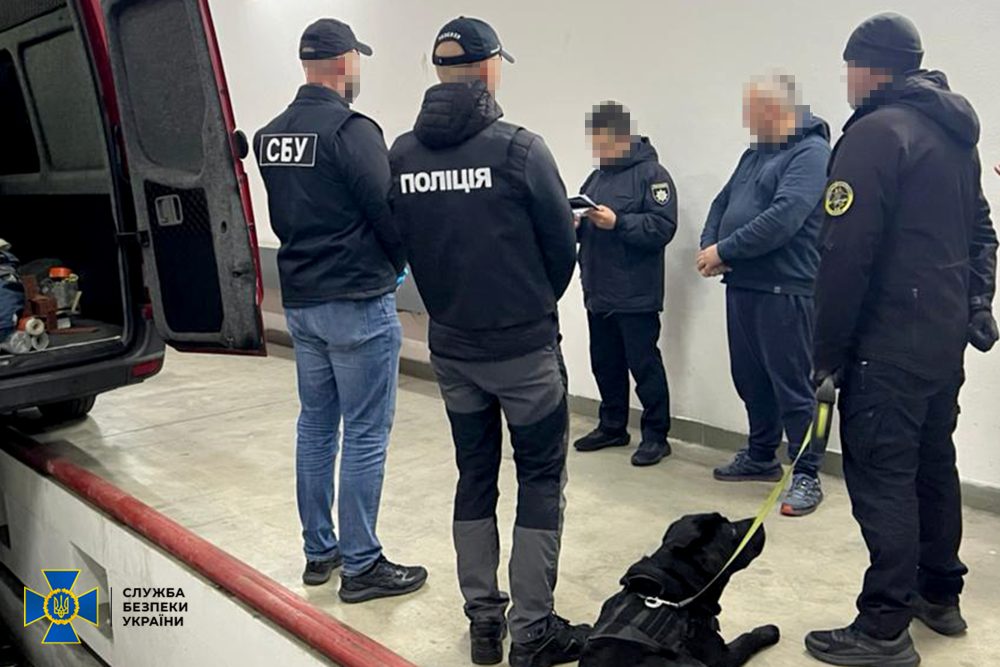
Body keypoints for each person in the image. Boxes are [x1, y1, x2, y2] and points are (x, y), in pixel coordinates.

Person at [388, 17, 590, 667]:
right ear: (489, 67)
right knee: (540, 479)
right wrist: (528, 304)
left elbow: (403, 242)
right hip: (523, 350)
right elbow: (561, 250)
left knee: (474, 474)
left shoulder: (402, 156)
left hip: (452, 349)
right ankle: (532, 631)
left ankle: (482, 620)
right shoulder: (520, 150)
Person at [804, 13, 998, 666]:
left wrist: (825, 355)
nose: (846, 81)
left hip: (884, 346)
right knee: (932, 465)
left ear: (868, 68)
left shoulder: (874, 134)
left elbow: (843, 257)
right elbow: (982, 231)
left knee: (883, 475)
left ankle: (883, 625)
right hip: (941, 343)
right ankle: (939, 595)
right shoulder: (954, 135)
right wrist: (977, 302)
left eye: (848, 68)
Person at [253, 18, 427, 603]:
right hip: (356, 301)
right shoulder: (352, 130)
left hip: (302, 302)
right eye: (358, 60)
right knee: (366, 434)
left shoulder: (270, 135)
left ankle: (319, 551)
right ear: (345, 61)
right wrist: (398, 265)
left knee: (316, 427)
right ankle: (363, 564)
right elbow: (388, 211)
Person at [697, 73, 832, 516]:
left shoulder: (812, 154)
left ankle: (807, 474)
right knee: (750, 380)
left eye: (751, 111)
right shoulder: (754, 154)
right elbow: (722, 203)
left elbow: (784, 217)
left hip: (786, 289)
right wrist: (710, 246)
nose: (746, 120)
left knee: (794, 388)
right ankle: (760, 456)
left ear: (777, 110)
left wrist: (725, 250)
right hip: (743, 286)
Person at [572, 101, 678, 467]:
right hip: (598, 290)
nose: (597, 150)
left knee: (644, 366)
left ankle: (656, 436)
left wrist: (619, 222)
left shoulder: (653, 175)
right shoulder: (596, 178)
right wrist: (576, 224)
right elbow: (587, 225)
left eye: (601, 142)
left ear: (622, 136)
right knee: (605, 363)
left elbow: (662, 227)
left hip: (635, 293)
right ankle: (612, 426)